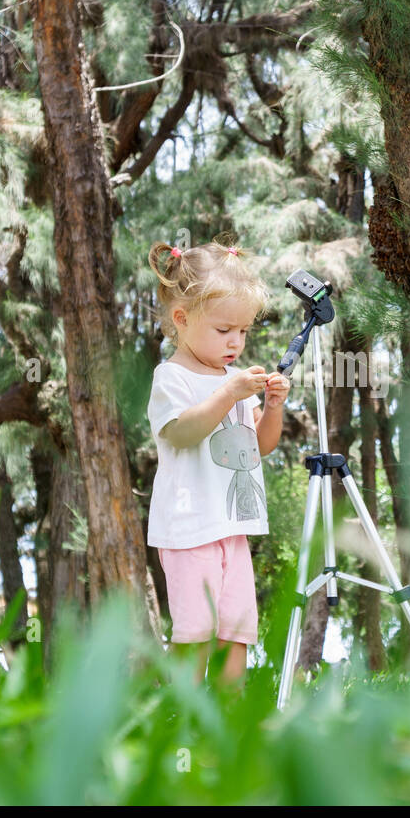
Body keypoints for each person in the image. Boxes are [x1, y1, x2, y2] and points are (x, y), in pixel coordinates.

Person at [146, 235, 290, 691]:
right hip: (190, 531)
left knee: (235, 631)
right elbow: (182, 433)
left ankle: (229, 723)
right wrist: (228, 393)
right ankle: (184, 719)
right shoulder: (172, 377)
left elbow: (259, 446)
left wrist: (272, 407)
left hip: (232, 528)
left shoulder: (235, 380)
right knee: (196, 634)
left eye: (244, 332)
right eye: (224, 330)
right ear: (182, 319)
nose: (236, 342)